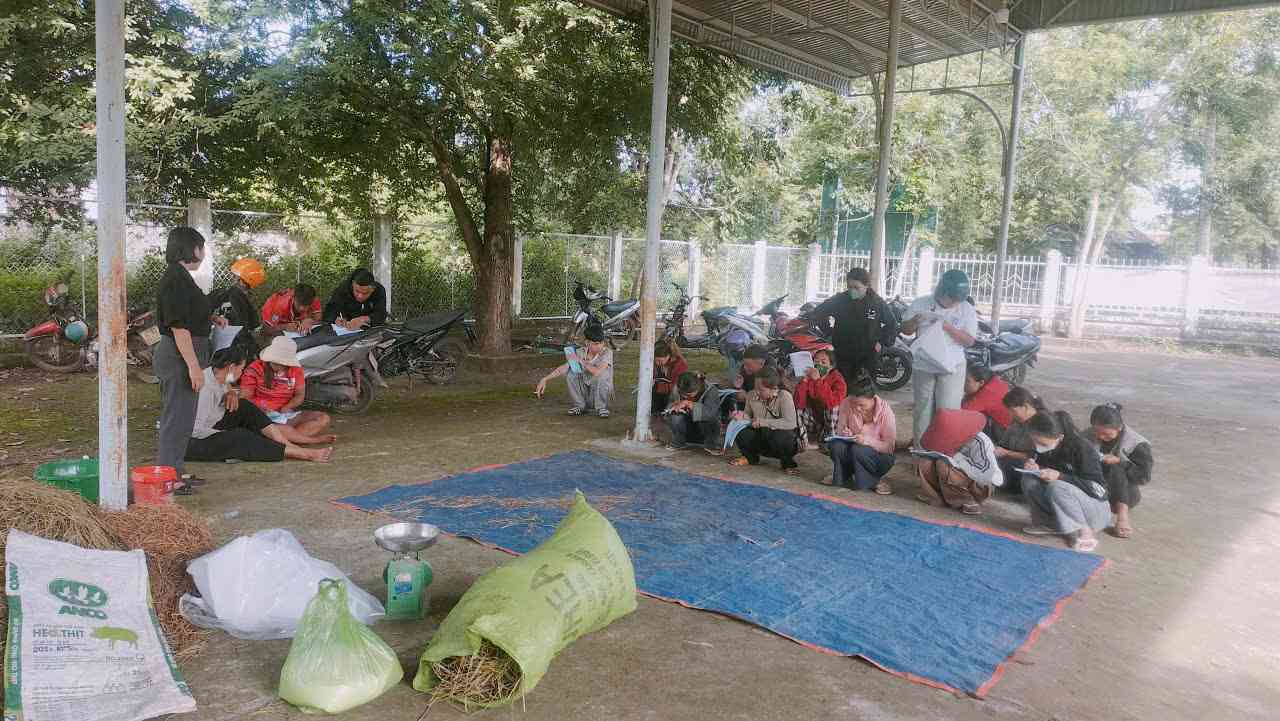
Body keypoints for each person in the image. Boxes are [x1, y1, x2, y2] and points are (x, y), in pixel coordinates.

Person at [186, 346, 334, 463]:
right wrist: (226, 435)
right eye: (240, 368)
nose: (241, 372)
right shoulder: (205, 389)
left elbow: (227, 387)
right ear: (231, 367)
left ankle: (286, 443)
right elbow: (195, 430)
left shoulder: (215, 373)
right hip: (196, 440)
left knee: (245, 406)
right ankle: (303, 454)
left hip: (215, 421)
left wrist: (230, 392)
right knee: (242, 437)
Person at [154, 226, 220, 484]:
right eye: (201, 247)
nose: (203, 253)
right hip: (178, 357)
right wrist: (193, 367)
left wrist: (212, 316)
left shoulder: (181, 277)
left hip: (186, 355)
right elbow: (179, 327)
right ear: (192, 248)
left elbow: (191, 312)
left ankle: (176, 470)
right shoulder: (175, 279)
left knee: (184, 419)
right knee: (176, 419)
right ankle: (168, 476)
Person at [900, 269, 978, 444]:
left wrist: (948, 327)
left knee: (948, 411)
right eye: (951, 299)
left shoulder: (966, 309)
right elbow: (905, 329)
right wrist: (915, 322)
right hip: (924, 364)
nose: (953, 303)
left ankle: (944, 454)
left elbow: (969, 341)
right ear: (940, 292)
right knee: (923, 410)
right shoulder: (921, 303)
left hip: (952, 367)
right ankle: (921, 453)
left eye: (957, 300)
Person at [1021, 410, 1111, 552]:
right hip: (1066, 506)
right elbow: (1039, 458)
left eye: (1041, 442)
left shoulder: (1082, 448)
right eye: (1035, 442)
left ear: (1060, 437)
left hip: (1095, 510)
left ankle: (1084, 530)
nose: (1038, 446)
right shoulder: (1046, 448)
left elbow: (1100, 490)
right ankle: (1049, 524)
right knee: (1029, 478)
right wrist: (1036, 467)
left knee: (1057, 486)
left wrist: (1061, 476)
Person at [811, 267, 899, 383]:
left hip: (867, 354)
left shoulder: (876, 303)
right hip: (843, 352)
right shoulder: (840, 300)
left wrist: (882, 342)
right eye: (850, 287)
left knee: (864, 392)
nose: (852, 291)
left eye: (856, 287)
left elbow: (892, 324)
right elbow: (819, 313)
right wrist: (828, 331)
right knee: (842, 388)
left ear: (866, 286)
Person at [914, 408, 1004, 515]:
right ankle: (936, 496)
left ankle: (966, 499)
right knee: (925, 461)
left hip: (980, 486)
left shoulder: (981, 442)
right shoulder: (947, 439)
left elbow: (987, 475)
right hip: (954, 478)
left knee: (942, 464)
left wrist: (957, 458)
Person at [240, 336, 333, 436]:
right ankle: (286, 438)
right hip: (260, 415)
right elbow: (245, 398)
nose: (280, 367)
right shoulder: (254, 368)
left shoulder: (296, 370)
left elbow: (300, 395)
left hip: (284, 415)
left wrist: (287, 407)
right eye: (277, 363)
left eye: (284, 364)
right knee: (271, 427)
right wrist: (261, 410)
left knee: (323, 418)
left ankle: (282, 438)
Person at [1086, 403, 1153, 540]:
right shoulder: (1086, 436)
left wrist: (1121, 462)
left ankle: (1122, 516)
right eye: (1097, 432)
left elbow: (1144, 477)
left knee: (1116, 467)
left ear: (1120, 428)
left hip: (1124, 494)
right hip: (1096, 487)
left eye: (1107, 434)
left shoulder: (1137, 444)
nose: (1101, 437)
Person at [825, 374, 896, 493]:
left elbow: (889, 447)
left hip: (878, 457)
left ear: (872, 399)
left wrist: (867, 441)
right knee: (836, 445)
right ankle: (844, 476)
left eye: (862, 405)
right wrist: (845, 435)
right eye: (854, 403)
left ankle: (873, 480)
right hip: (854, 451)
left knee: (859, 449)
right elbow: (839, 431)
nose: (857, 408)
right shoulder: (847, 403)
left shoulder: (885, 411)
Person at [729, 369, 800, 475]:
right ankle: (750, 457)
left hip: (778, 440)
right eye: (755, 388)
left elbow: (790, 423)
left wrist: (763, 422)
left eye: (761, 389)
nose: (757, 392)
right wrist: (740, 416)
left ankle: (787, 463)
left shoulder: (784, 396)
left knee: (783, 436)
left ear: (774, 389)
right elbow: (748, 415)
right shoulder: (751, 395)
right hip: (761, 437)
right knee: (739, 428)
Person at [536, 323, 614, 417]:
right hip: (586, 396)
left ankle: (602, 408)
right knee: (571, 372)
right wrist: (545, 379)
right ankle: (580, 406)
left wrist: (581, 361)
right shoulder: (579, 352)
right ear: (587, 343)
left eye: (601, 343)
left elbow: (597, 372)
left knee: (602, 374)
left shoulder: (607, 352)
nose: (599, 346)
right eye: (596, 344)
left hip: (600, 395)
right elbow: (563, 368)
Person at [664, 371, 732, 453]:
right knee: (675, 415)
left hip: (705, 432)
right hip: (686, 429)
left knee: (708, 417)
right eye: (683, 394)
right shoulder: (677, 388)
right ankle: (679, 442)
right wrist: (674, 407)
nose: (685, 397)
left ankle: (711, 444)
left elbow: (710, 414)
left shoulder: (711, 390)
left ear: (698, 387)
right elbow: (668, 407)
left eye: (689, 394)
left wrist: (690, 404)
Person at [208, 257, 265, 354]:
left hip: (219, 346)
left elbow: (201, 308)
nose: (233, 278)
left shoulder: (222, 293)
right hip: (239, 348)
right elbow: (255, 328)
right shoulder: (248, 303)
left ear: (241, 281)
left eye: (235, 276)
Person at [793, 349, 847, 450]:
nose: (819, 365)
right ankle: (804, 442)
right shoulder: (809, 378)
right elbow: (798, 403)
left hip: (832, 423)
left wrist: (818, 381)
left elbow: (831, 402)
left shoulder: (838, 380)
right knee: (796, 409)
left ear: (831, 366)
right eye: (816, 362)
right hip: (815, 422)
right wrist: (804, 381)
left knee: (833, 407)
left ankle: (830, 443)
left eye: (823, 362)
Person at [997, 386, 1047, 492]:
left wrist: (1007, 453)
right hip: (1012, 461)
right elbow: (1003, 444)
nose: (1010, 414)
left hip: (1032, 467)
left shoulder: (1043, 424)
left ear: (1025, 406)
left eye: (1013, 411)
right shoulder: (1017, 421)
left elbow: (1036, 456)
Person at [961, 361, 1012, 443]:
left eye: (967, 381)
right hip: (1011, 424)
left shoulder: (987, 393)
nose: (963, 384)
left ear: (981, 383)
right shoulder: (994, 380)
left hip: (1004, 430)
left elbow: (962, 411)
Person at [323, 268, 387, 330]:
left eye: (365, 293)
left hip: (369, 328)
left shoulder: (379, 290)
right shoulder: (343, 289)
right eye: (357, 291)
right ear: (353, 284)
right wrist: (335, 319)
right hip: (346, 328)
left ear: (373, 289)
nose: (360, 296)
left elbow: (381, 314)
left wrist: (365, 319)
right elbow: (329, 311)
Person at [651, 340, 688, 415]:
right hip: (662, 392)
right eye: (656, 361)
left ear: (668, 356)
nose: (657, 363)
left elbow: (677, 386)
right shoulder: (659, 365)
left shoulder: (680, 365)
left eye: (660, 361)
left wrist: (657, 386)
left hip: (675, 395)